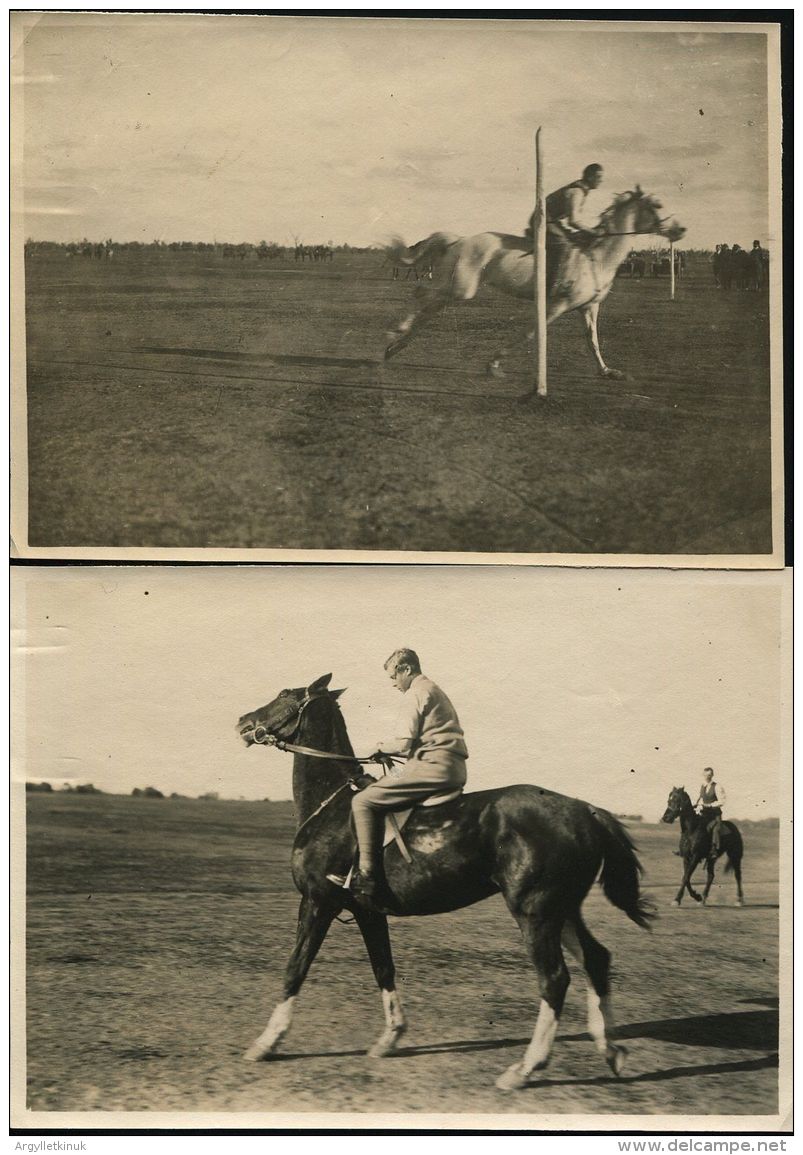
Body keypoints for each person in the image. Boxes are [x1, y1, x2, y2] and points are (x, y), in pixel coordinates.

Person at [346, 649, 468, 910]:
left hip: (431, 767)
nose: (393, 683)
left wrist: (378, 747)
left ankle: (366, 877)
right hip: (441, 765)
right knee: (388, 780)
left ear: (406, 670)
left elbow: (402, 745)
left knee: (362, 801)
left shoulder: (415, 693)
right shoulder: (432, 689)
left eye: (393, 676)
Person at [525, 163, 605, 294]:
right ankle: (553, 287)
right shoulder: (577, 192)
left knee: (576, 240)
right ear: (590, 177)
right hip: (542, 221)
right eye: (598, 177)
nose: (601, 180)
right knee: (564, 245)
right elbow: (573, 221)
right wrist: (593, 231)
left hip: (551, 221)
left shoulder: (580, 190)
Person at [695, 766, 726, 856]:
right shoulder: (702, 786)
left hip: (715, 814)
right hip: (704, 814)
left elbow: (722, 801)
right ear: (703, 775)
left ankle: (714, 849)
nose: (707, 777)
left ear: (712, 775)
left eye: (709, 775)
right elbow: (700, 799)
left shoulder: (717, 786)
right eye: (705, 775)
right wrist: (697, 807)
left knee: (716, 829)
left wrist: (710, 805)